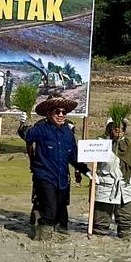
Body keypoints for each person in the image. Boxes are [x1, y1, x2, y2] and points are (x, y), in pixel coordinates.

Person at [22, 97, 91, 240]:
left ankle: (51, 231)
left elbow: (73, 156)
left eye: (64, 112)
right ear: (48, 113)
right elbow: (27, 135)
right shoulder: (41, 128)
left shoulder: (68, 133)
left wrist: (86, 171)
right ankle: (43, 240)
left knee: (61, 210)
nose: (61, 115)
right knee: (50, 211)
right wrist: (23, 123)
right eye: (57, 112)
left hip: (62, 178)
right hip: (44, 176)